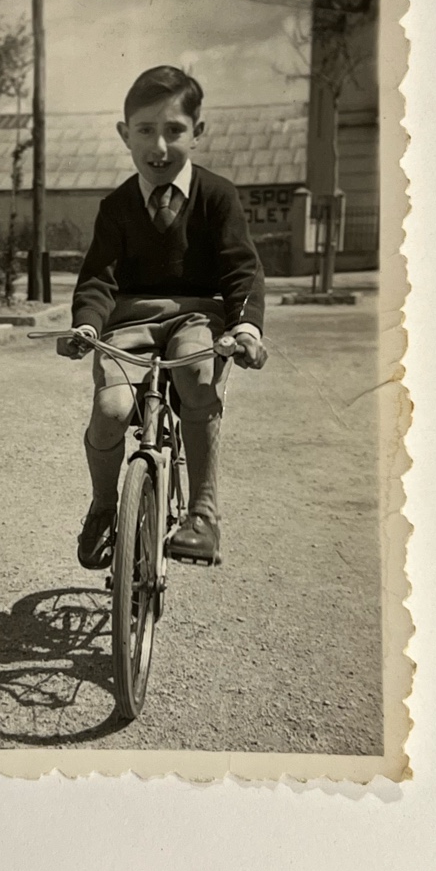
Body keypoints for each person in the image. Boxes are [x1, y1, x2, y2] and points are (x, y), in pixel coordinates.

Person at [65, 66, 267, 569]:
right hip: (130, 324)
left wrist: (245, 327)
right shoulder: (115, 207)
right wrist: (88, 324)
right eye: (145, 130)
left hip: (196, 319)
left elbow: (241, 268)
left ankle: (203, 514)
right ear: (123, 134)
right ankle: (105, 506)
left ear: (197, 132)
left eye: (174, 130)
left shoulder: (217, 197)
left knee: (198, 379)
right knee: (111, 411)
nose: (159, 145)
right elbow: (98, 278)